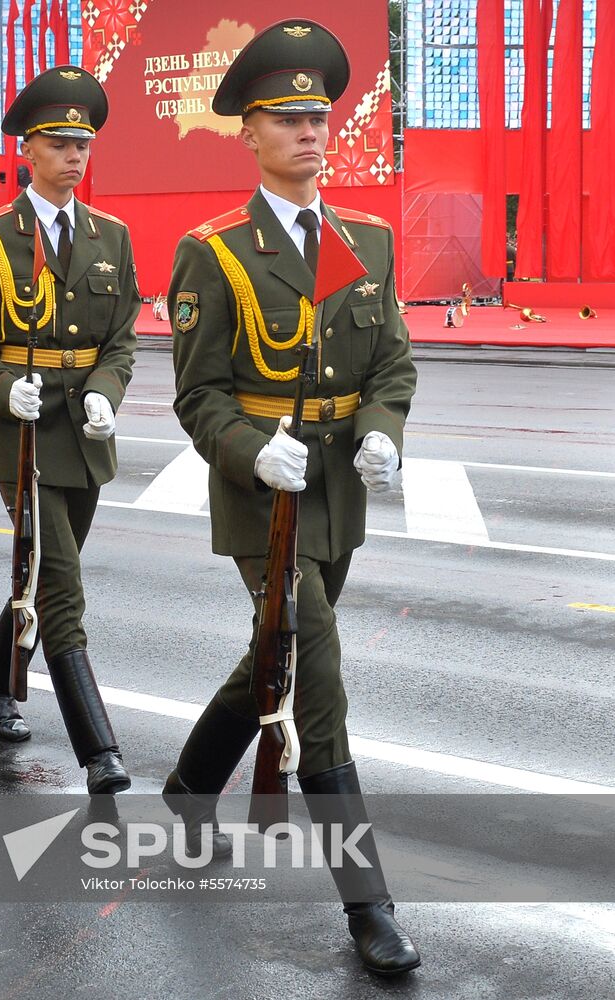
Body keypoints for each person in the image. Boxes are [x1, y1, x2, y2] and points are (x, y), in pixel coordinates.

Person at [164, 19, 420, 976]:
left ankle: (190, 789)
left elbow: (390, 362)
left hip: (336, 498)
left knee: (273, 651)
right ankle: (369, 909)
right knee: (318, 676)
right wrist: (246, 451)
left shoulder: (368, 240)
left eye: (319, 116)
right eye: (287, 118)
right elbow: (198, 394)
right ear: (249, 133)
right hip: (261, 495)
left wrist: (384, 431)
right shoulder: (213, 251)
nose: (310, 131)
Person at [0, 66, 140, 794]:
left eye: (81, 144)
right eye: (58, 143)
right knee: (61, 586)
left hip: (84, 435)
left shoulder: (111, 237)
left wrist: (104, 390)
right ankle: (99, 751)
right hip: (23, 437)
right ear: (27, 149)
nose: (72, 156)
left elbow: (121, 338)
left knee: (38, 572)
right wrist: (3, 389)